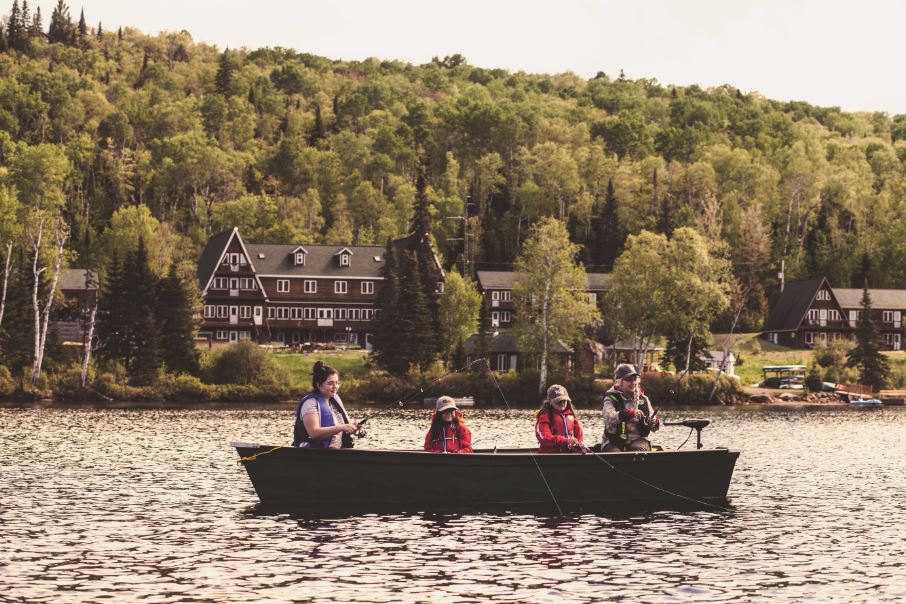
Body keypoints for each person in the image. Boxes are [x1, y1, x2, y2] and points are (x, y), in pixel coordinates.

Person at [292, 360, 358, 449]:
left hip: (336, 453)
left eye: (337, 383)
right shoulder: (310, 403)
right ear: (318, 385)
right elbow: (314, 433)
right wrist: (342, 427)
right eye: (330, 383)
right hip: (316, 455)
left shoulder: (335, 400)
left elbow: (344, 426)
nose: (335, 386)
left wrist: (351, 427)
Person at [601, 363, 659, 452]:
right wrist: (629, 413)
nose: (633, 382)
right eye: (628, 379)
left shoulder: (644, 399)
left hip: (638, 439)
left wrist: (654, 422)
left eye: (634, 379)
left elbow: (655, 428)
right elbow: (609, 417)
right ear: (619, 382)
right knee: (614, 454)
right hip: (613, 440)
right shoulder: (610, 398)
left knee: (636, 450)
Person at [535, 384, 585, 453]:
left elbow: (579, 437)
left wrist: (578, 444)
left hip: (569, 454)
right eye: (558, 401)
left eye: (564, 400)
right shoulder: (544, 417)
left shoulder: (572, 417)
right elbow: (545, 439)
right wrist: (566, 441)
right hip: (549, 455)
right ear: (550, 402)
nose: (562, 403)